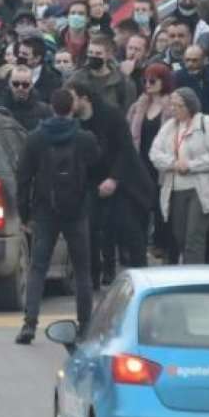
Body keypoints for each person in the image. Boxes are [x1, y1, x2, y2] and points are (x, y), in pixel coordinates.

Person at [15, 88, 101, 345]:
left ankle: (29, 324)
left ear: (51, 107)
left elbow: (23, 178)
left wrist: (24, 213)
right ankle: (85, 325)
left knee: (38, 267)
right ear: (72, 107)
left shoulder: (35, 138)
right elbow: (97, 171)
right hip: (76, 211)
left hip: (45, 211)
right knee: (82, 270)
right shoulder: (85, 138)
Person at [68, 79, 155, 286]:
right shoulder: (74, 120)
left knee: (128, 228)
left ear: (84, 98)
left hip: (124, 180)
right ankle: (95, 277)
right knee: (91, 228)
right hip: (93, 180)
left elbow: (125, 150)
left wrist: (114, 179)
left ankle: (142, 278)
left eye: (71, 98)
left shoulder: (111, 115)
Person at [150, 87, 209, 264]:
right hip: (176, 189)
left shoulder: (205, 123)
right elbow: (154, 154)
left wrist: (191, 165)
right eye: (172, 105)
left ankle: (194, 280)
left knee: (194, 238)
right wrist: (173, 163)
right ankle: (188, 273)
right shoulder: (169, 127)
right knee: (180, 237)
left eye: (178, 106)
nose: (173, 110)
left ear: (189, 107)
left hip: (200, 189)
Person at [126, 62, 175, 258]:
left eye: (152, 80)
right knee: (140, 205)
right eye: (144, 80)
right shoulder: (139, 105)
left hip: (162, 163)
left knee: (162, 206)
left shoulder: (171, 105)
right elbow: (128, 131)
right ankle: (139, 245)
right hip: (141, 162)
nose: (147, 84)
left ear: (164, 81)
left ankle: (162, 243)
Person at [70, 35, 136, 113]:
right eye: (90, 52)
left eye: (98, 54)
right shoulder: (77, 78)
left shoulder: (123, 82)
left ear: (109, 55)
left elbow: (128, 113)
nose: (93, 56)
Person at [174, 45, 209, 121]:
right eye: (187, 60)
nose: (190, 64)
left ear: (204, 60)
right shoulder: (178, 77)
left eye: (195, 60)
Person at [2, 65, 53, 132]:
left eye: (25, 84)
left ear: (31, 84)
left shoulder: (44, 110)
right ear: (9, 83)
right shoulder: (1, 108)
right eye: (16, 84)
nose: (20, 88)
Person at [17, 36, 61, 103]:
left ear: (37, 58)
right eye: (19, 53)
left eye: (24, 54)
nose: (20, 56)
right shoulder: (11, 73)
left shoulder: (52, 79)